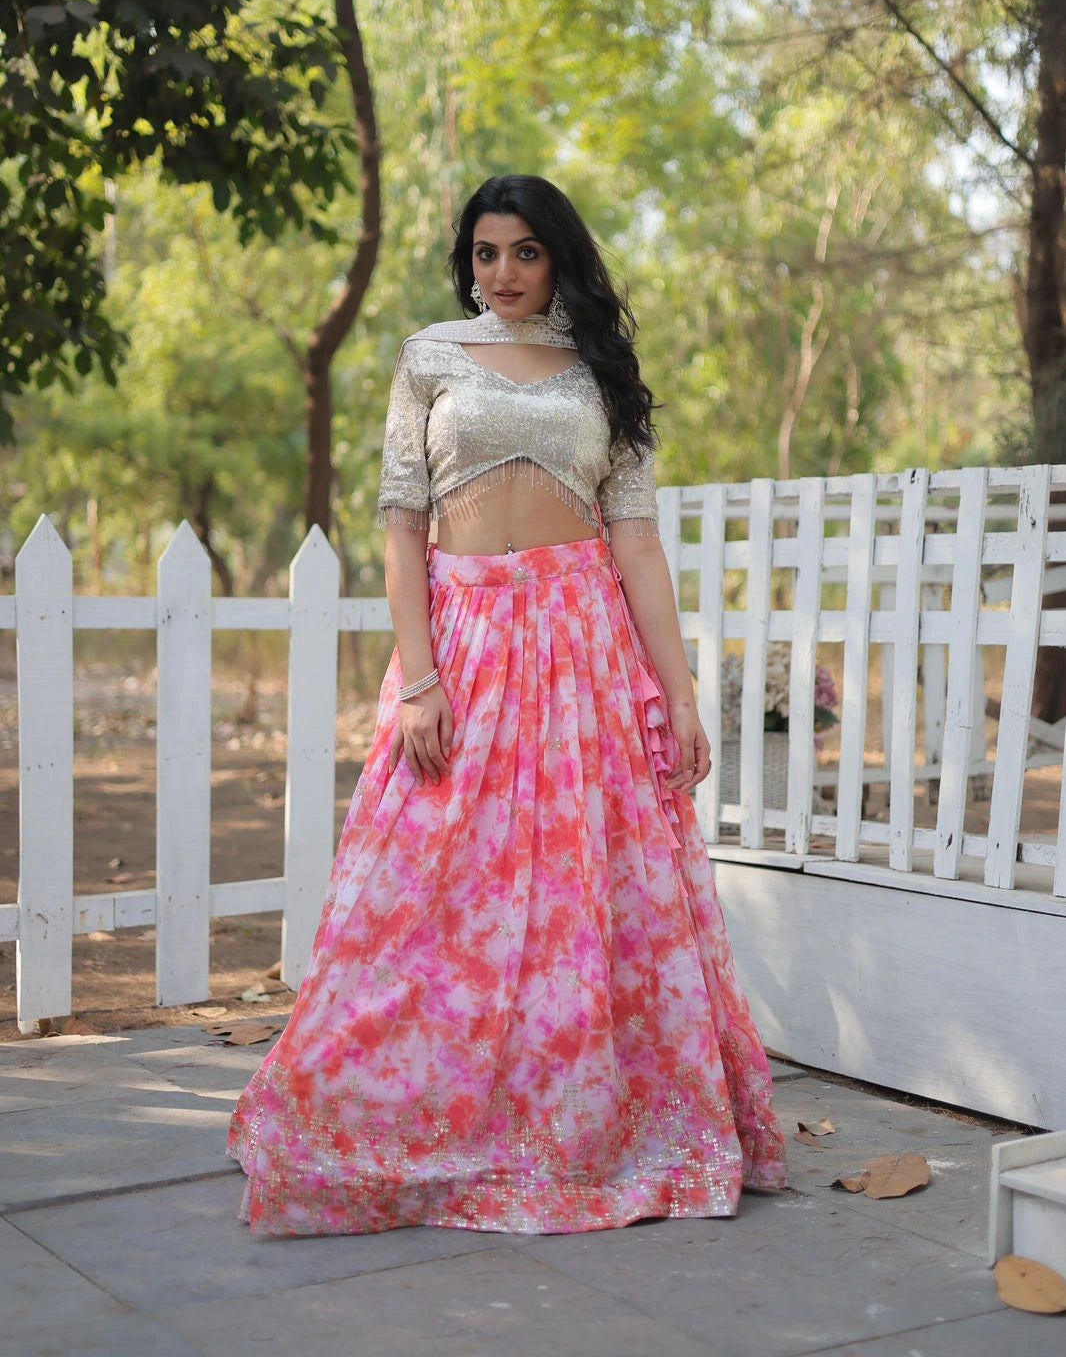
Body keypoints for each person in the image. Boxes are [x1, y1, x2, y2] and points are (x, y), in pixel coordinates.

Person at [226, 174, 789, 1237]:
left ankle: (577, 1126)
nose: (504, 273)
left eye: (525, 252)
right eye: (485, 253)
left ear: (558, 257)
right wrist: (421, 677)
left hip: (581, 656)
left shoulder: (599, 372)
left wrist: (676, 688)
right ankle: (401, 1118)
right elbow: (400, 528)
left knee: (590, 902)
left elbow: (635, 541)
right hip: (467, 649)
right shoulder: (429, 356)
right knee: (423, 898)